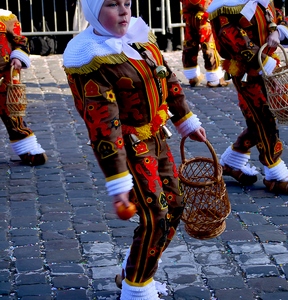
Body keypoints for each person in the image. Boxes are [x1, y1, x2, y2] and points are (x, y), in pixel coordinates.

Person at [62, 0, 207, 298]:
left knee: (175, 205)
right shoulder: (90, 57)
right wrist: (118, 182)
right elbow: (103, 125)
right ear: (92, 11)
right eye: (112, 4)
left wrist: (186, 120)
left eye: (126, 2)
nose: (124, 11)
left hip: (158, 137)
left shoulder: (140, 39)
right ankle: (137, 289)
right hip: (130, 148)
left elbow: (167, 78)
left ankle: (135, 270)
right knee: (155, 214)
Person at [207, 0, 288, 194]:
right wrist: (263, 61)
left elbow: (278, 15)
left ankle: (232, 161)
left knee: (256, 119)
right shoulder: (225, 7)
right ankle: (276, 173)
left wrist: (278, 31)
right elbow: (232, 39)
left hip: (268, 68)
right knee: (264, 118)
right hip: (247, 72)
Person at [0, 9, 47, 166]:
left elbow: (20, 41)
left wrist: (18, 57)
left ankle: (27, 149)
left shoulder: (5, 18)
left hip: (4, 77)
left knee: (12, 115)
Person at [181, 0, 230, 87]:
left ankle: (192, 76)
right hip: (204, 16)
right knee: (208, 45)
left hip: (190, 15)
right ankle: (214, 79)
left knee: (190, 44)